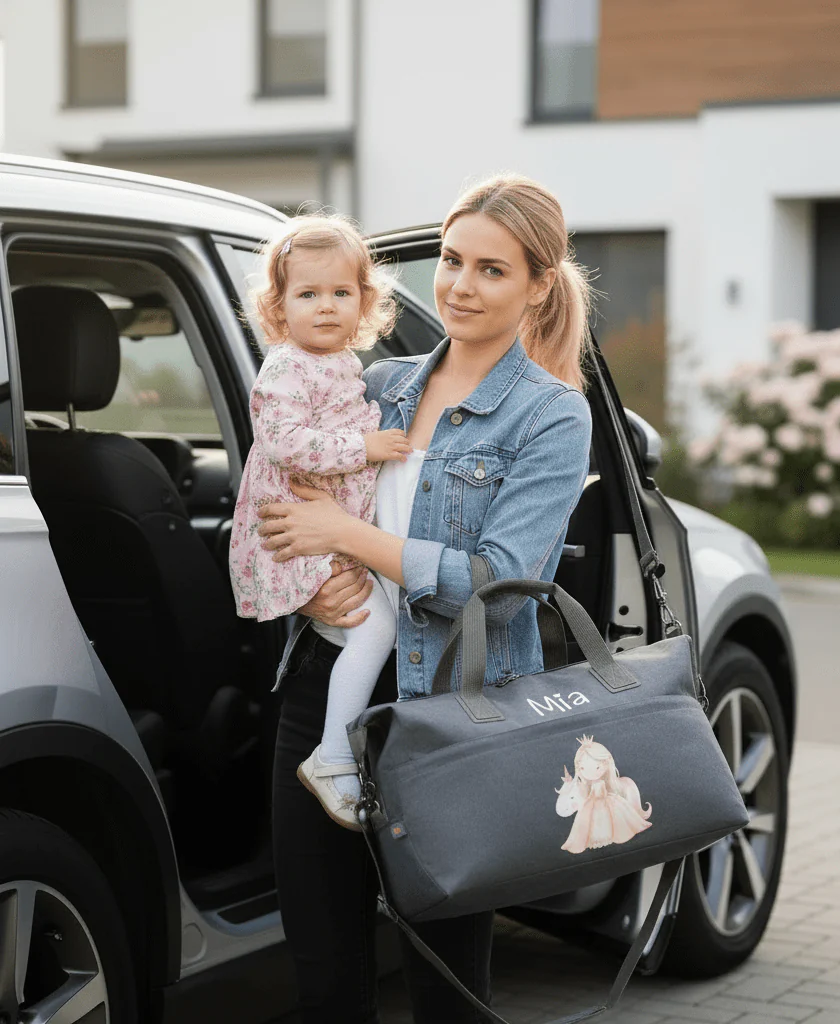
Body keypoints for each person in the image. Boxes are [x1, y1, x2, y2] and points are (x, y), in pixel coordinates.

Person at [258, 175, 595, 1023]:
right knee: (324, 980)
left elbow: (497, 586)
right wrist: (316, 585)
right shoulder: (380, 384)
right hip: (324, 704)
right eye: (450, 261)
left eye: (491, 269)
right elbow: (287, 500)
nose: (459, 286)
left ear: (537, 285)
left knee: (445, 988)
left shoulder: (552, 415)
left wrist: (350, 539)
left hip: (449, 715)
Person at [228, 215, 412, 828]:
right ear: (278, 308)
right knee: (374, 629)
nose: (326, 307)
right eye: (308, 295)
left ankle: (344, 751)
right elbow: (283, 443)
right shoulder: (286, 366)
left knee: (377, 618)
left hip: (330, 530)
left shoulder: (340, 364)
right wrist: (367, 447)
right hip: (295, 530)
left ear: (364, 302)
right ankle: (333, 756)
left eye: (341, 293)